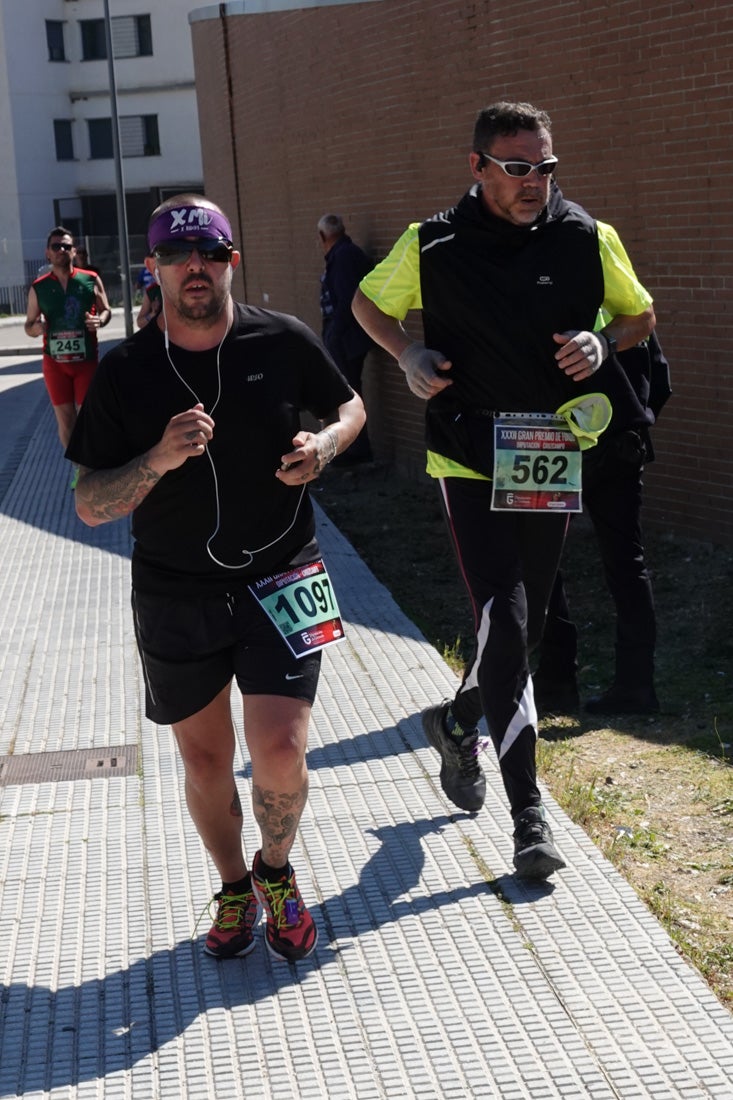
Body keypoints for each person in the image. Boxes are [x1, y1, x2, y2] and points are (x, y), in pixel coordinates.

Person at [352, 101, 655, 880]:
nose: (535, 183)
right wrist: (408, 352)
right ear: (478, 166)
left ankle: (457, 721)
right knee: (504, 613)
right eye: (517, 168)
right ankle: (528, 817)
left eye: (546, 167)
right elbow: (365, 305)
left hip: (548, 449)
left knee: (513, 633)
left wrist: (601, 339)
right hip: (466, 450)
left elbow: (638, 314)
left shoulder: (586, 236)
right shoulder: (433, 241)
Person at [66, 194, 365, 962]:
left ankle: (276, 871)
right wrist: (158, 460)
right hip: (174, 591)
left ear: (232, 260)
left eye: (209, 253)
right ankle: (234, 884)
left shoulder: (283, 338)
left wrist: (326, 447)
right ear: (156, 270)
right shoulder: (126, 373)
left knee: (280, 749)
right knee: (202, 760)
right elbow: (89, 504)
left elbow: (351, 405)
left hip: (284, 573)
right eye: (177, 255)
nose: (194, 268)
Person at [534, 331, 671, 716]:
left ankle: (555, 678)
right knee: (627, 562)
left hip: (552, 436)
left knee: (542, 557)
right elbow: (658, 370)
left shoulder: (538, 285)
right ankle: (635, 684)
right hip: (618, 436)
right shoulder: (622, 296)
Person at [25, 227, 113, 451]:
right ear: (48, 253)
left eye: (66, 246)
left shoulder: (91, 279)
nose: (61, 250)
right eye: (56, 246)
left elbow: (106, 310)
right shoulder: (39, 287)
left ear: (74, 251)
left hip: (86, 361)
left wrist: (100, 321)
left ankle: (91, 462)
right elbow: (28, 325)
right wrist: (36, 328)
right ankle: (77, 468)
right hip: (55, 364)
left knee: (88, 416)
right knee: (65, 420)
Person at [318, 213, 374, 464]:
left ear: (323, 237)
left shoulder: (343, 257)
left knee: (348, 394)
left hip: (348, 339)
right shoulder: (344, 254)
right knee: (348, 391)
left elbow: (346, 302)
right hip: (348, 336)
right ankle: (355, 449)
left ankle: (357, 449)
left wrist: (333, 335)